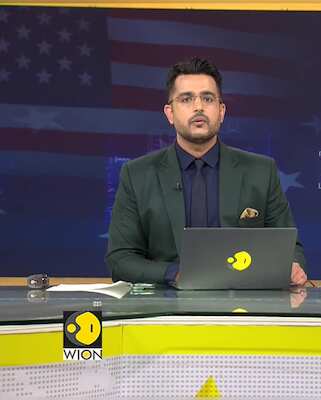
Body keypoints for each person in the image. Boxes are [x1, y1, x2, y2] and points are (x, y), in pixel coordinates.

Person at [106, 57, 307, 286]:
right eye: (186, 99)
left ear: (221, 111)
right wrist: (176, 274)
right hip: (167, 303)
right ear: (170, 113)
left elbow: (291, 247)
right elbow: (120, 259)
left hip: (244, 302)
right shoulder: (137, 174)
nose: (198, 107)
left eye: (208, 98)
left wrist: (293, 266)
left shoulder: (261, 171)